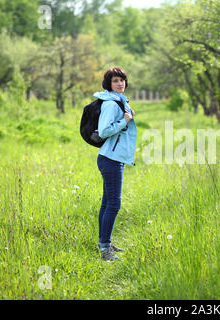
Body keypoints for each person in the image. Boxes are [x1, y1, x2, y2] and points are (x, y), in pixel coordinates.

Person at [93, 67, 137, 261]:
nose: (120, 84)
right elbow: (103, 131)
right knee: (114, 204)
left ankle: (106, 243)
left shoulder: (120, 102)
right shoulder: (111, 104)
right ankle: (105, 250)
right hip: (110, 159)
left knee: (107, 203)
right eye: (115, 81)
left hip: (113, 158)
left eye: (122, 80)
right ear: (109, 84)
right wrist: (124, 121)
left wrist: (126, 115)